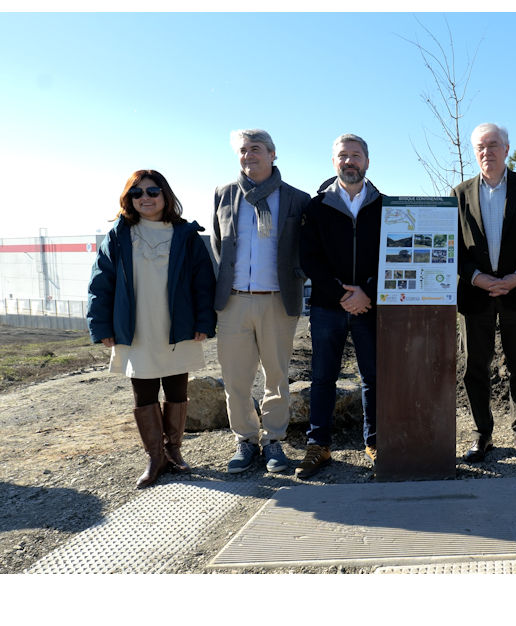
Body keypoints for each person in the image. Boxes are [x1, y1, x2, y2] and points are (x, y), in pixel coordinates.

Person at [87, 170, 216, 489]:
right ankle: (154, 457)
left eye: (153, 191)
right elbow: (100, 284)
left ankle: (174, 452)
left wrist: (203, 322)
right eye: (137, 192)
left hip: (178, 327)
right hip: (136, 328)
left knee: (177, 391)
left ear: (165, 195)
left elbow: (204, 282)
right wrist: (102, 325)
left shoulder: (186, 234)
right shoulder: (118, 235)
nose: (145, 197)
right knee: (143, 394)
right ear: (129, 198)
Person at [212, 129, 310, 474]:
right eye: (243, 150)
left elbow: (306, 247)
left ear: (272, 154)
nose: (248, 155)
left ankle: (273, 441)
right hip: (234, 301)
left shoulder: (297, 199)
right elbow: (219, 246)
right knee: (236, 379)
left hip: (278, 302)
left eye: (256, 149)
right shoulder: (224, 194)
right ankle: (245, 439)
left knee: (277, 376)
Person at [452, 123, 516, 462]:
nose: (486, 152)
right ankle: (482, 433)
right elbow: (454, 248)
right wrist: (476, 277)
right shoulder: (460, 192)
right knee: (475, 367)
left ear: (507, 149)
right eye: (480, 146)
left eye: (493, 145)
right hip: (476, 294)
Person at [296, 134, 383, 479]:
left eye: (356, 155)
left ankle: (376, 443)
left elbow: (391, 257)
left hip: (370, 305)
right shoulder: (315, 208)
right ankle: (318, 446)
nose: (350, 161)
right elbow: (309, 258)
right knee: (322, 378)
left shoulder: (385, 206)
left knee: (373, 378)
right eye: (343, 156)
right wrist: (341, 295)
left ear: (367, 161)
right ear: (333, 162)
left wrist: (367, 294)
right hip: (327, 306)